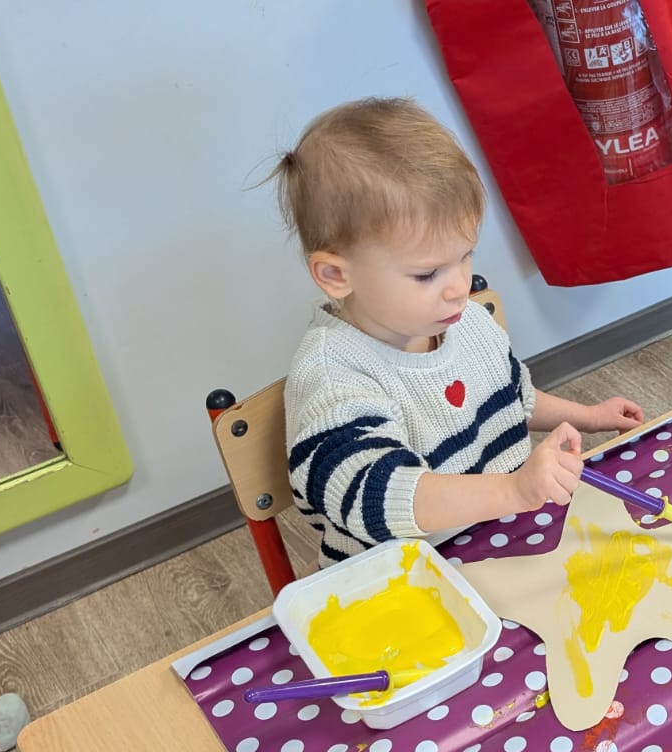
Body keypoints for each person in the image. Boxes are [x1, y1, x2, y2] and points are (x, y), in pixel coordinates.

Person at [274, 98, 644, 565]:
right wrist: (513, 489)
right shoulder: (332, 378)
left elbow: (512, 399)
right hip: (403, 585)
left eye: (465, 255)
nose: (458, 287)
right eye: (427, 273)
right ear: (335, 276)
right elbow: (383, 497)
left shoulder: (463, 321)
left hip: (500, 544)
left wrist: (588, 415)